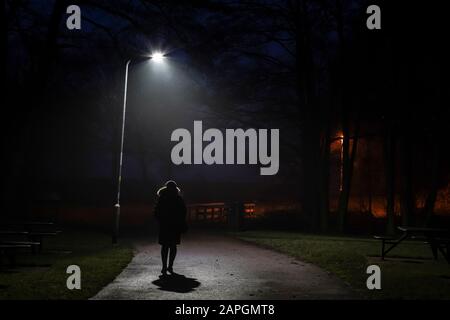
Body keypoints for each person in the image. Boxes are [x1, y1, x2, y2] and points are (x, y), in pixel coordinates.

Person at [154, 180, 187, 275]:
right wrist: (181, 221)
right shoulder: (178, 199)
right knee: (173, 246)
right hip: (175, 226)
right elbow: (183, 211)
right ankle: (170, 266)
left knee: (165, 246)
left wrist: (160, 220)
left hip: (164, 225)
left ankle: (164, 266)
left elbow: (156, 211)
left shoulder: (162, 198)